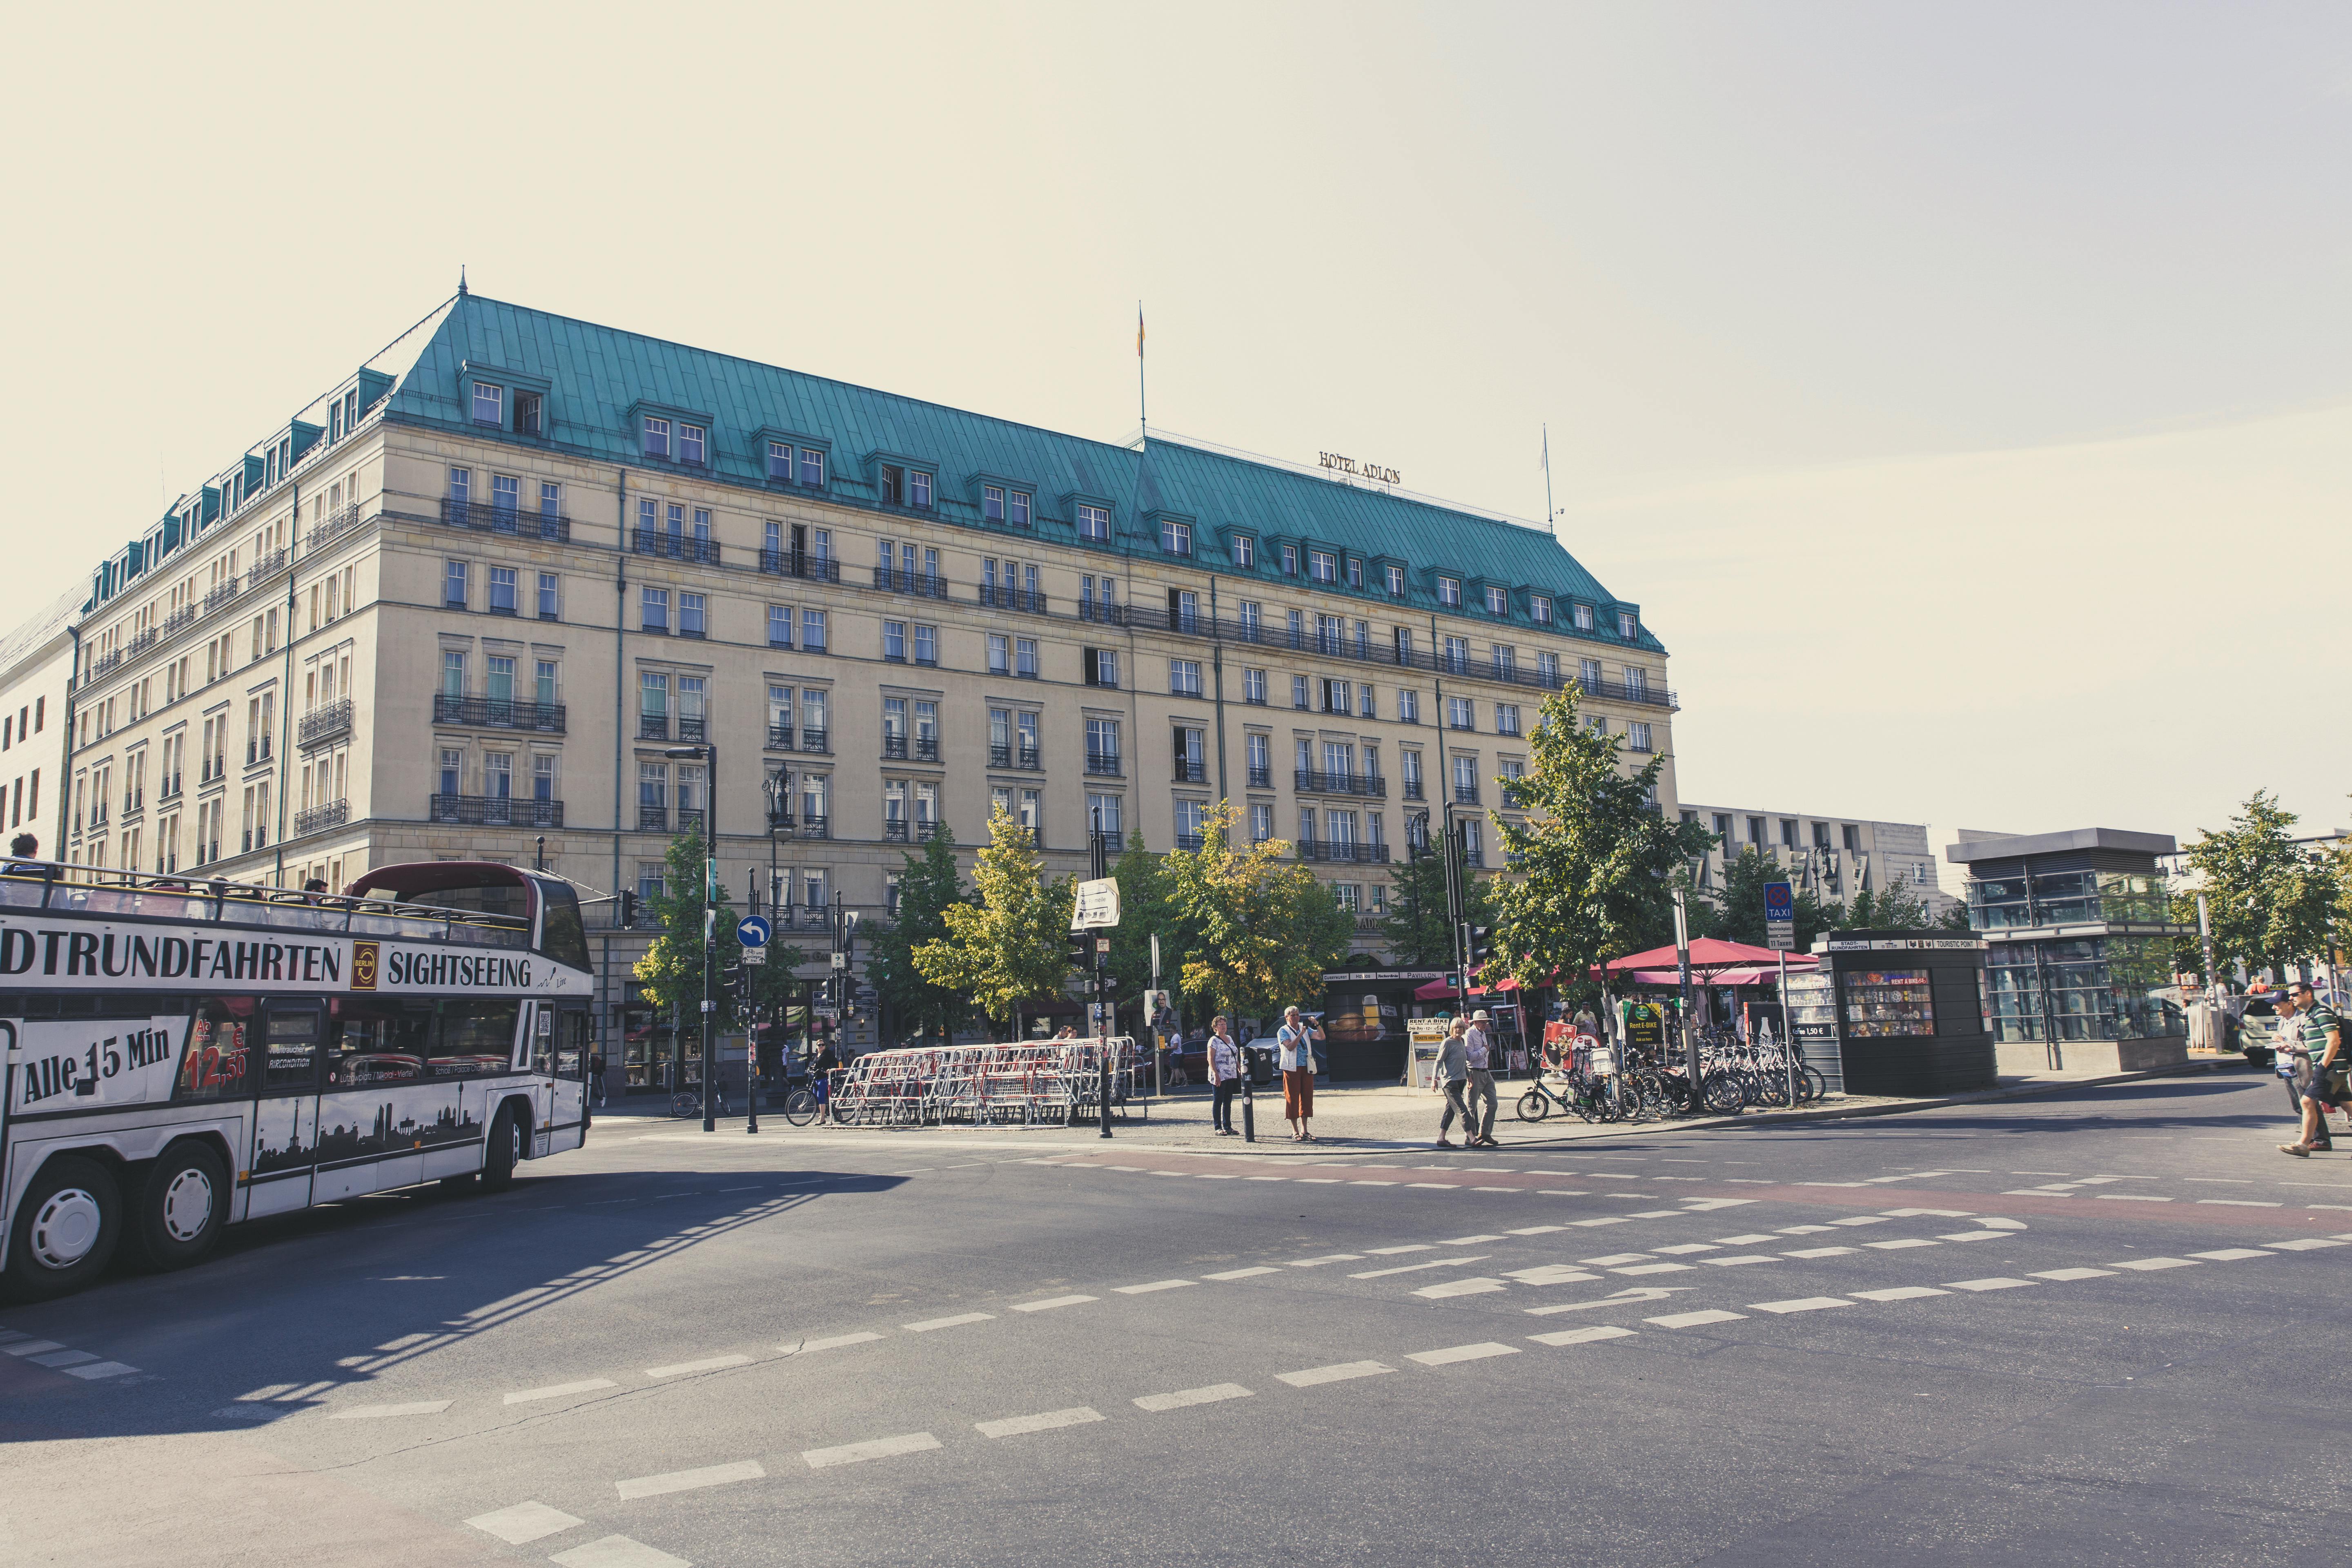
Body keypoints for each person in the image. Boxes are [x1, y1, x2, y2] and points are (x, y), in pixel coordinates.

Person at [2279, 980, 2343, 1156]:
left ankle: (2304, 1144)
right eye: (2290, 995)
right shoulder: (2310, 1015)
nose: (2291, 998)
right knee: (2348, 1105)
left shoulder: (2320, 1012)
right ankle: (2306, 1143)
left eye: (2294, 995)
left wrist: (2322, 1067)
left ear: (2308, 993)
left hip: (2330, 1067)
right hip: (2333, 1067)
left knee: (2307, 1102)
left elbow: (2334, 1040)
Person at [1275, 1005, 1323, 1142]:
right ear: (1287, 1018)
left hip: (1306, 1067)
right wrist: (1301, 1034)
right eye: (1292, 1015)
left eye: (1297, 1015)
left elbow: (1321, 1037)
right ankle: (1295, 1131)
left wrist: (1317, 1024)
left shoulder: (1304, 1027)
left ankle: (1305, 1130)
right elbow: (1290, 1047)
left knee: (1307, 1097)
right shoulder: (1283, 1031)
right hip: (1291, 1068)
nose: (1296, 1017)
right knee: (1292, 1098)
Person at [1433, 1017, 1473, 1148]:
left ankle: (1441, 1138)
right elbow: (1439, 1061)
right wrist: (1434, 1079)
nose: (1459, 1030)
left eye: (1461, 1027)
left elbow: (1463, 1063)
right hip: (1449, 1082)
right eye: (1456, 1028)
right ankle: (1472, 1138)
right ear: (1452, 1029)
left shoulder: (1462, 1041)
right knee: (1462, 1109)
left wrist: (1469, 1078)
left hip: (1461, 1080)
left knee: (1450, 1110)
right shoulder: (1447, 1043)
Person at [1463, 1009, 1499, 1149]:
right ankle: (1470, 1137)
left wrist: (1486, 1051)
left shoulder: (1483, 1033)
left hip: (1485, 1071)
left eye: (1486, 1022)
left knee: (1493, 1103)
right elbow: (1470, 1057)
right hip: (1474, 1072)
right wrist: (1485, 1050)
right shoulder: (1469, 1035)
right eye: (1483, 1022)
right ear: (1476, 1022)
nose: (1485, 1024)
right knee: (1471, 1106)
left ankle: (1485, 1133)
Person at [1207, 1015, 1241, 1136]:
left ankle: (1228, 1126)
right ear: (1215, 1027)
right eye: (1220, 1024)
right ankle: (1218, 1127)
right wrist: (1215, 1074)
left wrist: (1239, 1068)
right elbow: (1210, 1059)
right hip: (1220, 1075)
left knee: (1228, 1102)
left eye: (1224, 1024)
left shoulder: (1230, 1039)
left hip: (1231, 1074)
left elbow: (1235, 1055)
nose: (1223, 1026)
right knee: (1218, 1101)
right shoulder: (1213, 1041)